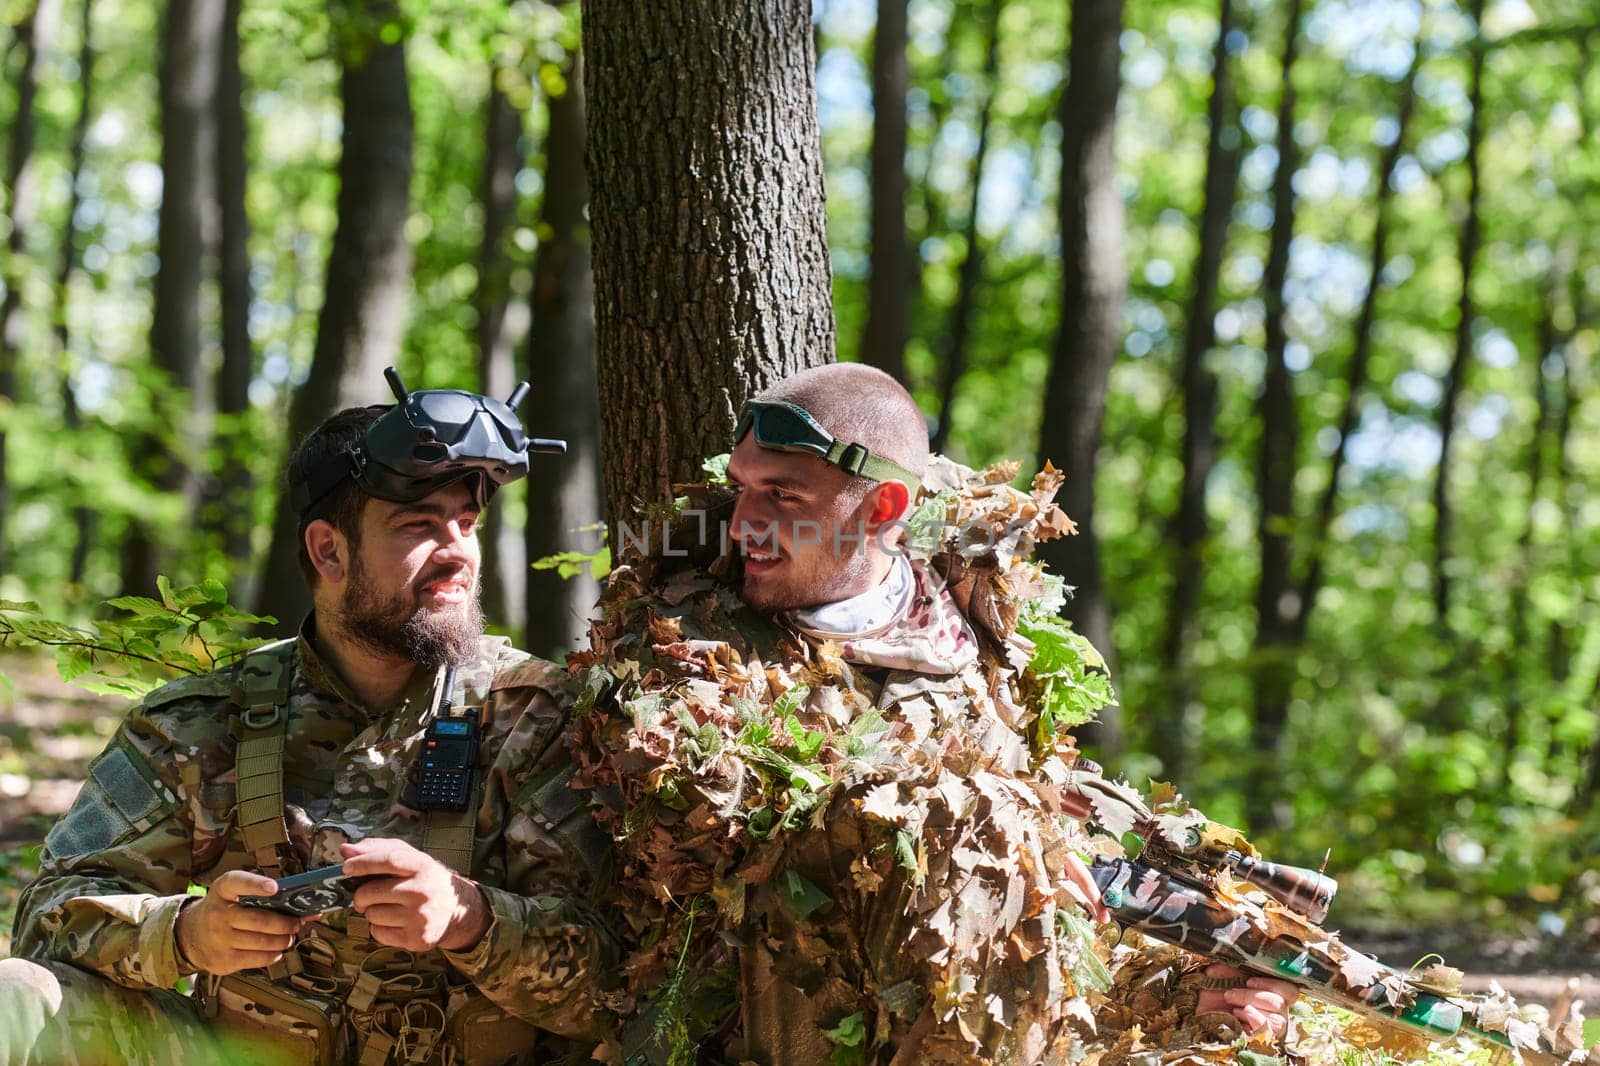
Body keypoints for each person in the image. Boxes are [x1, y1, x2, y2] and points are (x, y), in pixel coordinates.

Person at [573, 362, 1298, 1064]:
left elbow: (1050, 906)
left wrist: (1184, 992)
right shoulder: (684, 636)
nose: (743, 524)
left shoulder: (980, 638)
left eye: (784, 497)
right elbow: (727, 831)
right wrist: (1014, 832)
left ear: (883, 509)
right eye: (744, 490)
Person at [2, 373, 609, 1065]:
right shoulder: (206, 724)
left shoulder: (537, 717)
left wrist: (471, 920)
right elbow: (50, 915)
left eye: (465, 524)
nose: (457, 553)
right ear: (329, 552)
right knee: (16, 1000)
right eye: (419, 525)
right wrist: (185, 934)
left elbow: (623, 983)